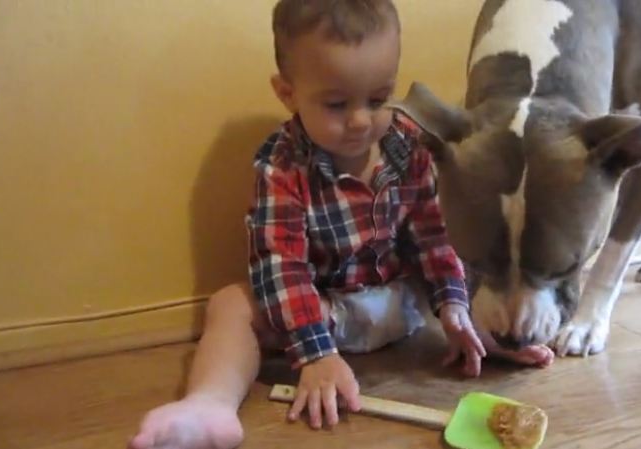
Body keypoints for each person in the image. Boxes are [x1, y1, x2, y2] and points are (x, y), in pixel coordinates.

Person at [129, 2, 553, 448]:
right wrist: (315, 352)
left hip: (404, 300)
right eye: (336, 104)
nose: (360, 120)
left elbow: (432, 235)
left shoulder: (408, 145)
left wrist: (451, 305)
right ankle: (210, 404)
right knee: (231, 304)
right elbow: (280, 264)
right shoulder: (281, 165)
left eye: (377, 99)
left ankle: (485, 332)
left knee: (471, 249)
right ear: (288, 93)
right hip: (327, 313)